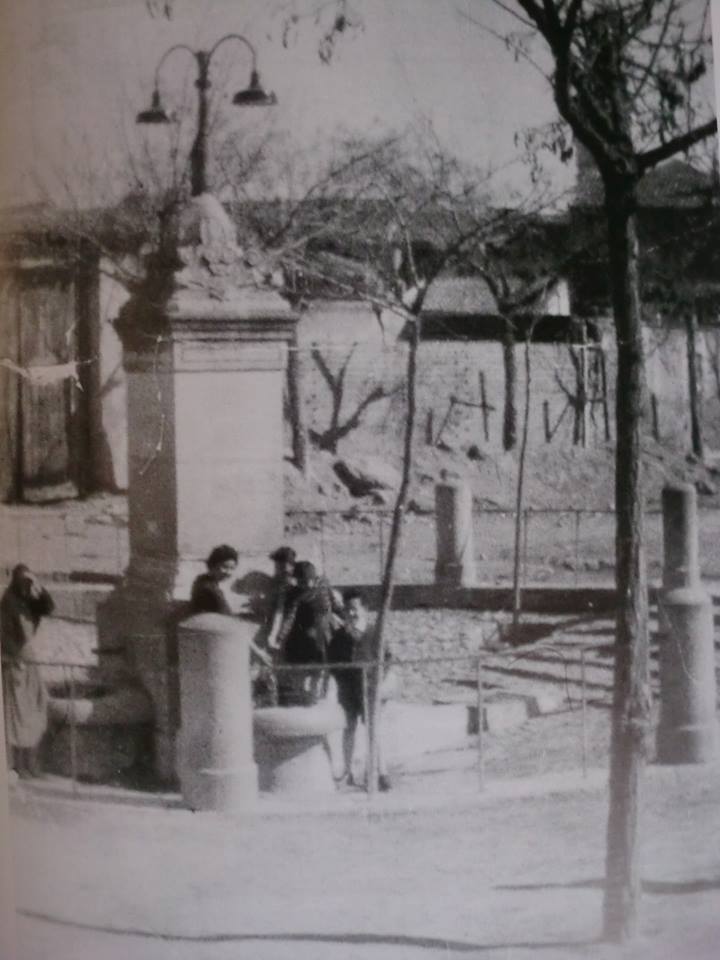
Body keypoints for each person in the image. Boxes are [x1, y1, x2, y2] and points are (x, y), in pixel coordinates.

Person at [328, 589, 395, 791]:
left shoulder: (375, 632)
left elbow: (387, 657)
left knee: (374, 732)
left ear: (365, 609)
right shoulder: (339, 636)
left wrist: (378, 680)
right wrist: (341, 680)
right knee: (349, 730)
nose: (352, 613)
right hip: (348, 691)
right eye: (348, 610)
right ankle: (348, 772)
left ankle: (381, 773)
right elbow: (333, 662)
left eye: (355, 609)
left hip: (370, 690)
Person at [1, 564, 54, 779]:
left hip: (29, 661)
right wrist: (14, 658)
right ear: (15, 581)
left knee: (38, 708)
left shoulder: (27, 600)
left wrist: (39, 585)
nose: (26, 585)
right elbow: (2, 635)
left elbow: (48, 608)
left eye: (28, 581)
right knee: (18, 717)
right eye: (23, 581)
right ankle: (19, 766)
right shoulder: (7, 602)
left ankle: (31, 765)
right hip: (16, 664)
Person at [276, 560, 335, 706]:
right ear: (297, 581)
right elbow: (289, 617)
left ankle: (316, 703)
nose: (308, 585)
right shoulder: (294, 595)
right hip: (301, 641)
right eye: (303, 582)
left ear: (315, 578)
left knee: (319, 675)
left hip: (322, 639)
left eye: (310, 580)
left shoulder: (324, 589)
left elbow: (334, 608)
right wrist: (280, 637)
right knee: (300, 677)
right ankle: (304, 703)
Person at [189, 544, 240, 615]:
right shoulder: (210, 589)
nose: (228, 572)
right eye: (224, 567)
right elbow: (226, 615)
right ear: (212, 565)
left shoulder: (200, 579)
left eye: (232, 568)